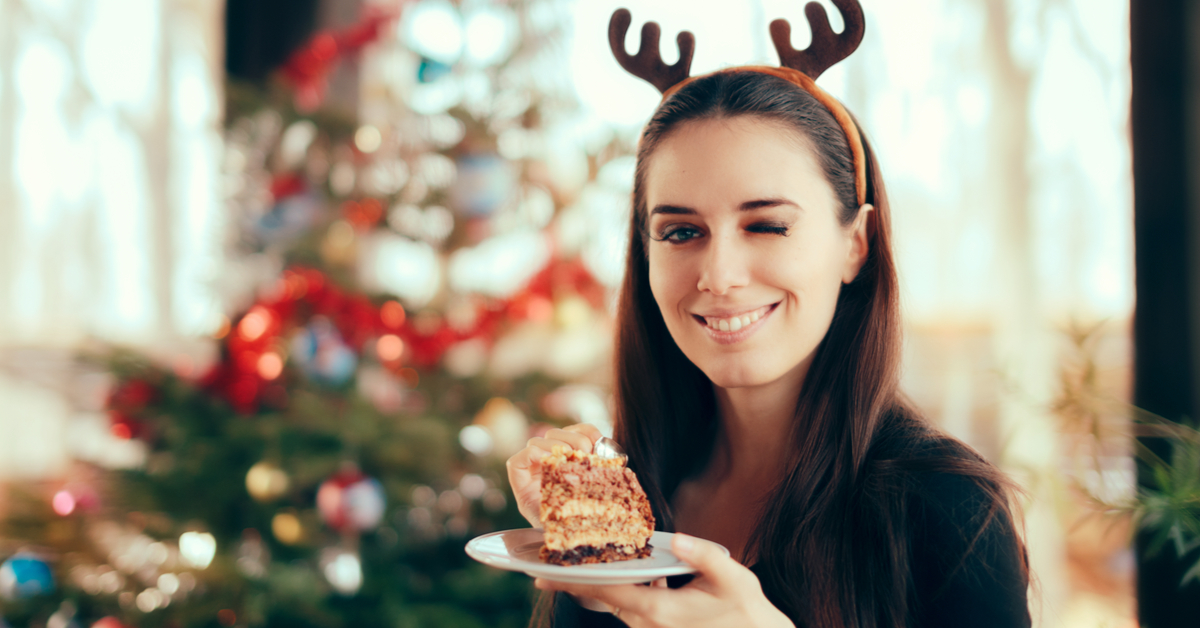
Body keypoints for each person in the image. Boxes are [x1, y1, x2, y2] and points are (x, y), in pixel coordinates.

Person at [506, 5, 1031, 627]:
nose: (718, 274)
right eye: (679, 231)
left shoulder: (949, 510)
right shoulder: (636, 507)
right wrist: (596, 570)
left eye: (768, 225)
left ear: (855, 244)